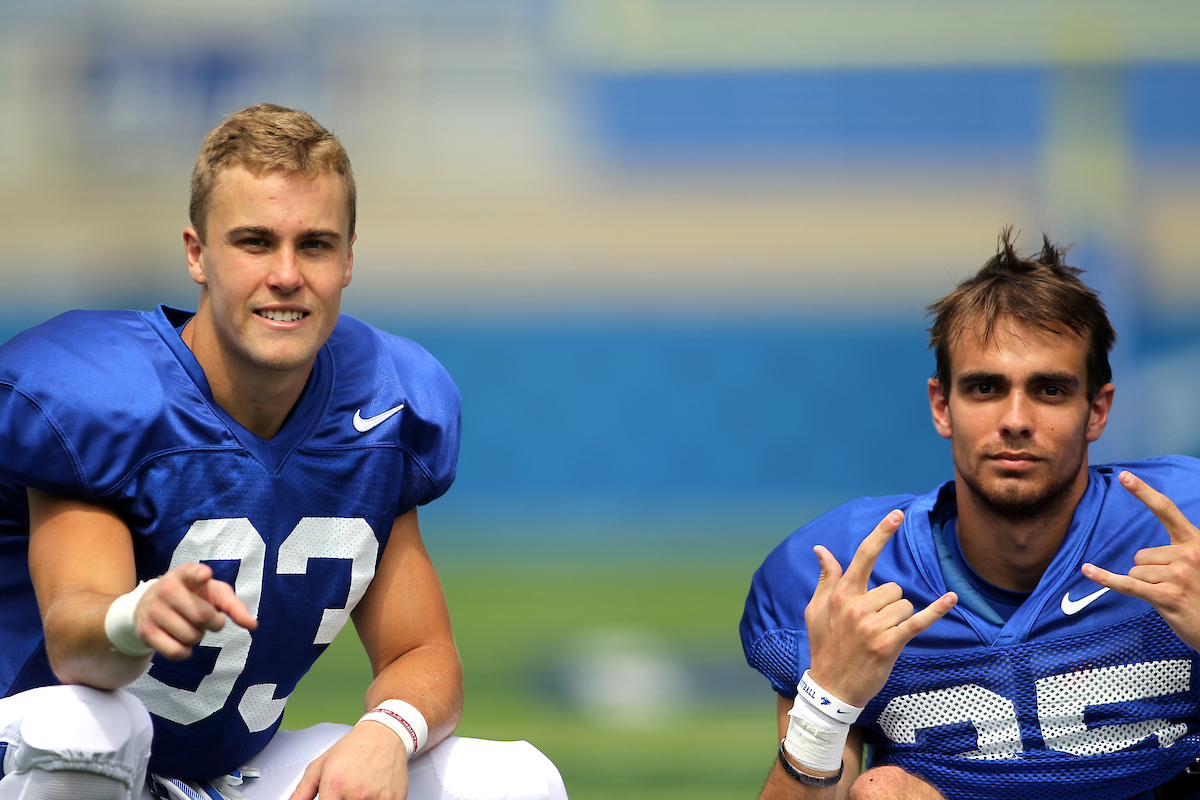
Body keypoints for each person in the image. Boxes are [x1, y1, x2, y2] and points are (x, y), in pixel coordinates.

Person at [0, 104, 567, 800]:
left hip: (218, 774)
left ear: (350, 257)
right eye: (255, 242)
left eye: (316, 244)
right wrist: (136, 614)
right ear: (197, 254)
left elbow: (421, 652)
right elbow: (74, 635)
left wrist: (387, 731)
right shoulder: (104, 396)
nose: (287, 274)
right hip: (40, 760)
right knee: (84, 727)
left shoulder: (381, 406)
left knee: (515, 782)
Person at [740, 229, 1200, 800]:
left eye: (1050, 390)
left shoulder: (1188, 526)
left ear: (1097, 410)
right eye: (985, 387)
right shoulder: (848, 568)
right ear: (942, 406)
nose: (1014, 419)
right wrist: (825, 706)